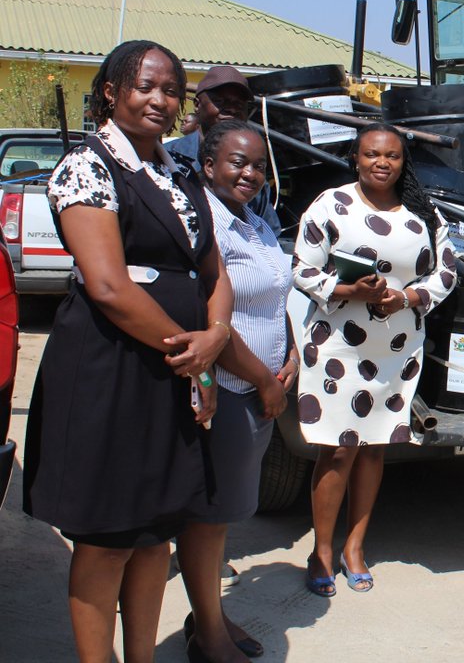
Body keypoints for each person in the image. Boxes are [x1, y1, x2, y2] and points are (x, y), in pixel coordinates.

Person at [23, 40, 233, 663]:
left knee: (154, 535)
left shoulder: (179, 174)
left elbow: (212, 271)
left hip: (172, 370)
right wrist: (192, 350)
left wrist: (216, 336)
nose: (160, 100)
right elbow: (110, 287)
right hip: (111, 370)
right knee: (108, 538)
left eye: (171, 90)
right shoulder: (86, 167)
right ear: (111, 92)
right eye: (145, 86)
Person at [293, 122, 456, 597]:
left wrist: (406, 298)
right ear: (355, 159)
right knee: (339, 447)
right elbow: (302, 268)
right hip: (338, 343)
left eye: (391, 156)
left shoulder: (424, 213)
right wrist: (348, 290)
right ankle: (322, 551)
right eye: (370, 155)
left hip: (396, 348)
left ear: (403, 162)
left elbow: (446, 271)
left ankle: (355, 547)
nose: (381, 163)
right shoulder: (331, 204)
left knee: (375, 447)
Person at [176, 121, 298, 662]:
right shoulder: (207, 226)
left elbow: (274, 298)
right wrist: (264, 379)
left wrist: (290, 353)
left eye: (257, 165)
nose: (249, 173)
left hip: (261, 387)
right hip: (227, 389)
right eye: (236, 163)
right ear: (208, 166)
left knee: (222, 516)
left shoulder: (254, 220)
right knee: (207, 518)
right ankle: (209, 633)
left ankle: (207, 615)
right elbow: (214, 323)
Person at [166, 65, 282, 239]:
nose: (231, 109)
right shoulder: (168, 158)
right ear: (197, 105)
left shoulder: (253, 173)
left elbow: (270, 236)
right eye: (220, 102)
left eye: (239, 104)